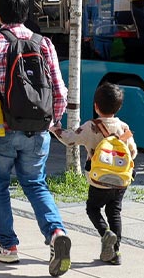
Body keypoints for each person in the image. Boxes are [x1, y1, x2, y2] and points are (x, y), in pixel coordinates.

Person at [0, 0, 71, 276]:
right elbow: (59, 92)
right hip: (38, 130)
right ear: (26, 12)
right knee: (35, 183)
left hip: (2, 129)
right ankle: (55, 234)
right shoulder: (44, 43)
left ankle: (6, 247)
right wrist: (53, 123)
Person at [52, 83, 137, 266]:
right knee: (114, 212)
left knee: (93, 208)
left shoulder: (91, 127)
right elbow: (133, 152)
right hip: (121, 181)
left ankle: (105, 233)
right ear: (119, 106)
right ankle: (115, 253)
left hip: (99, 180)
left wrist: (55, 129)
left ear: (96, 106)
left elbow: (69, 139)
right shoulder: (123, 127)